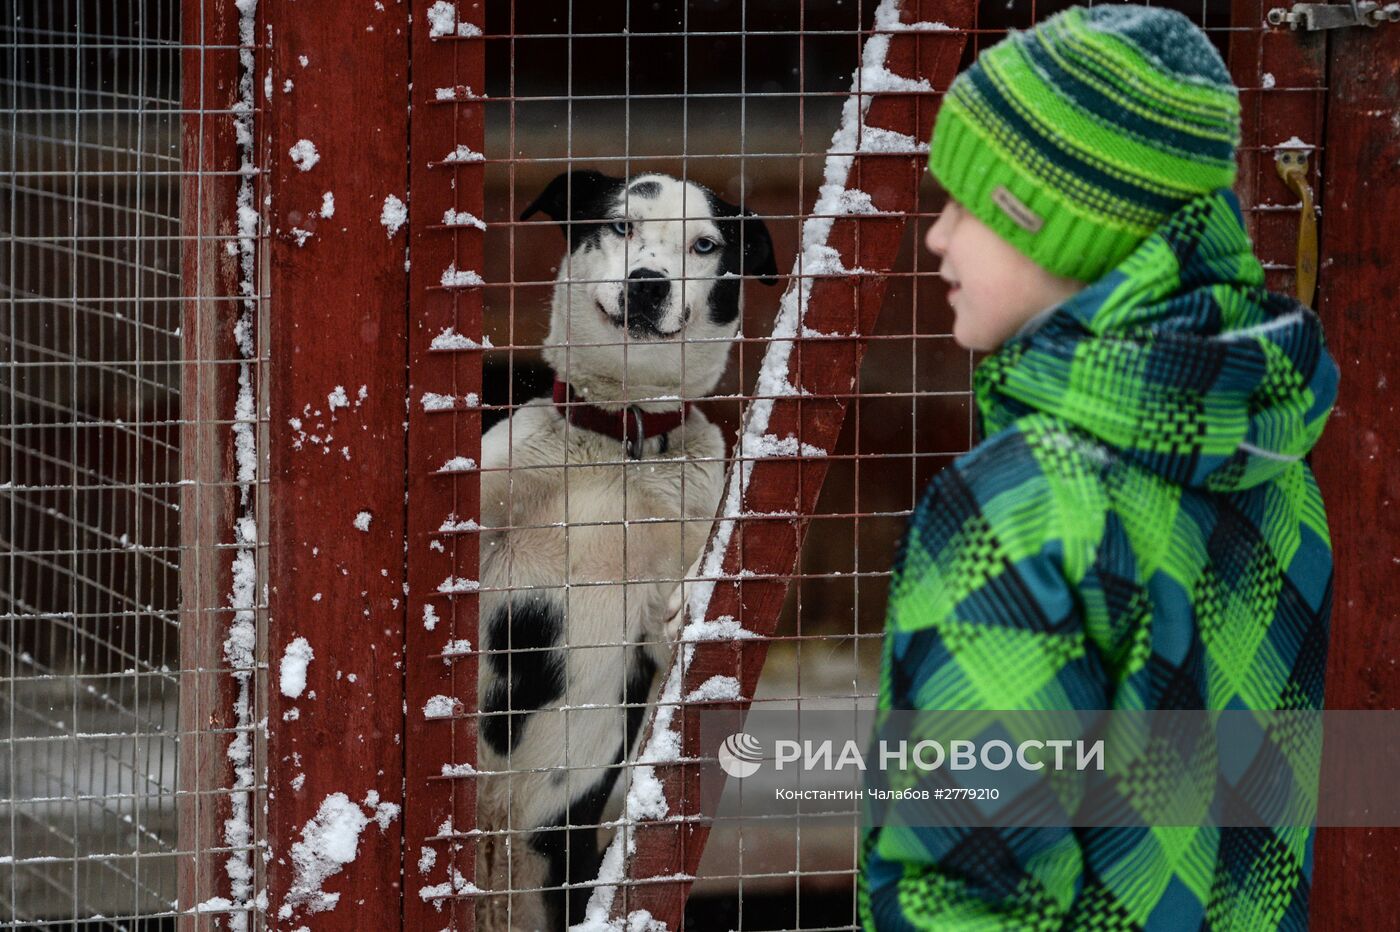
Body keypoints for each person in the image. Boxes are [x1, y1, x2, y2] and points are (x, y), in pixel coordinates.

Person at [859, 5, 1338, 929]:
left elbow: (963, 887)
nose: (938, 238)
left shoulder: (1021, 503)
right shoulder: (1270, 463)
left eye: (968, 204)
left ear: (1063, 226)